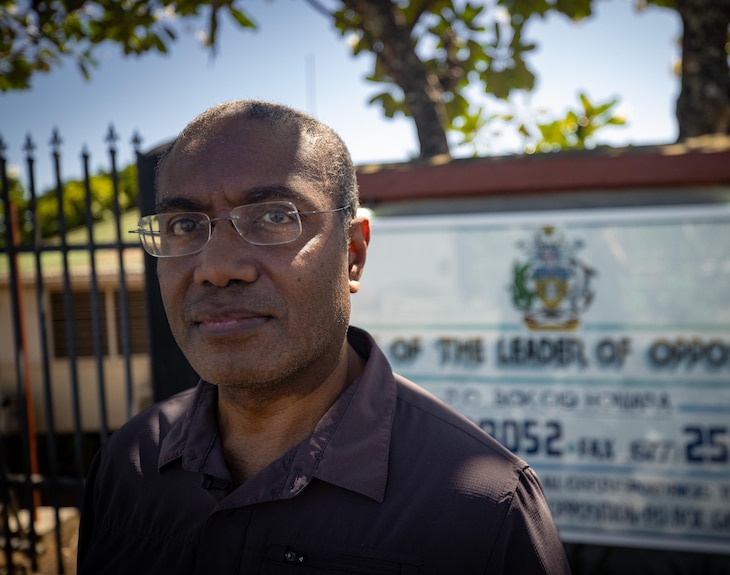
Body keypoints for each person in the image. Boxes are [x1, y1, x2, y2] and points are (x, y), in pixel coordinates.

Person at [77, 100, 571, 574]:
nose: (218, 268)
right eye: (184, 224)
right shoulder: (129, 464)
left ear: (352, 253)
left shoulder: (482, 503)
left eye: (274, 217)